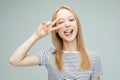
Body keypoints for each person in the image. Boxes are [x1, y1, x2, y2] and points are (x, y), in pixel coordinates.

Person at [9, 6, 103, 80]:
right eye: (61, 22)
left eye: (71, 20)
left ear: (77, 24)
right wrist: (37, 35)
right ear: (56, 30)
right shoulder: (48, 55)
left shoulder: (93, 58)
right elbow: (14, 60)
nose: (67, 24)